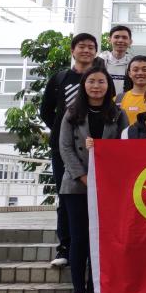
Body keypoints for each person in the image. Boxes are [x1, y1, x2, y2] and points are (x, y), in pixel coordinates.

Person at [58, 66, 127, 293]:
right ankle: (79, 292)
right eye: (91, 82)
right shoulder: (72, 113)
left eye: (101, 82)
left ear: (109, 85)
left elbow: (125, 146)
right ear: (84, 85)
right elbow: (65, 148)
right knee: (79, 240)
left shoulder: (118, 114)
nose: (96, 86)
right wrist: (84, 177)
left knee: (102, 241)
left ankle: (96, 291)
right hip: (76, 185)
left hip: (108, 186)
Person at [40, 32, 99, 269]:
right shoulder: (60, 78)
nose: (86, 50)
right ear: (73, 50)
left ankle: (92, 245)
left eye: (91, 47)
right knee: (65, 196)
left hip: (94, 148)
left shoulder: (98, 78)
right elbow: (46, 111)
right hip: (62, 148)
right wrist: (62, 131)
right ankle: (64, 247)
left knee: (96, 197)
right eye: (81, 46)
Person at [116, 56, 146, 126]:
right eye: (135, 70)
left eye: (144, 70)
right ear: (129, 74)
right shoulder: (118, 99)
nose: (140, 73)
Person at [98, 25, 133, 95]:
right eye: (116, 37)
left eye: (124, 37)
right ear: (109, 40)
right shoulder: (99, 61)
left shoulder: (133, 63)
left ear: (130, 41)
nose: (120, 40)